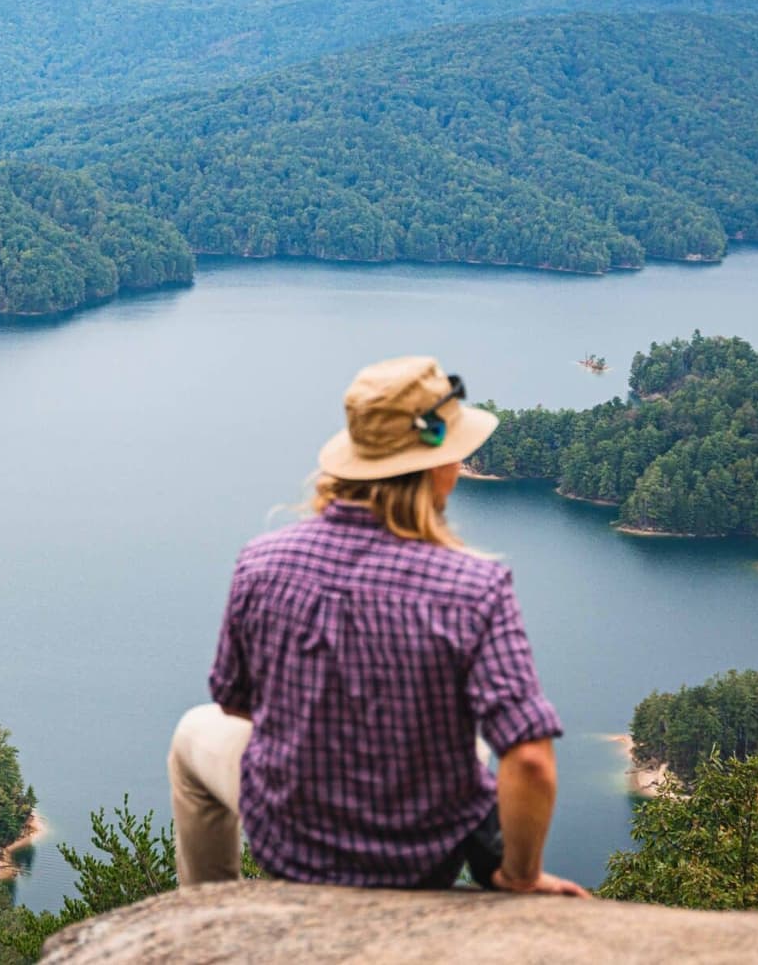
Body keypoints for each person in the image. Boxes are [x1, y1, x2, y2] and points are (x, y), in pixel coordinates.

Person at [169, 355, 588, 896]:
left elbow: (234, 703)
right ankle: (492, 866)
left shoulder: (262, 562)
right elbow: (529, 759)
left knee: (190, 737)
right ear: (438, 464)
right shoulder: (474, 586)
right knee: (477, 751)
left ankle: (208, 912)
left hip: (292, 849)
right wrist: (521, 876)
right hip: (421, 860)